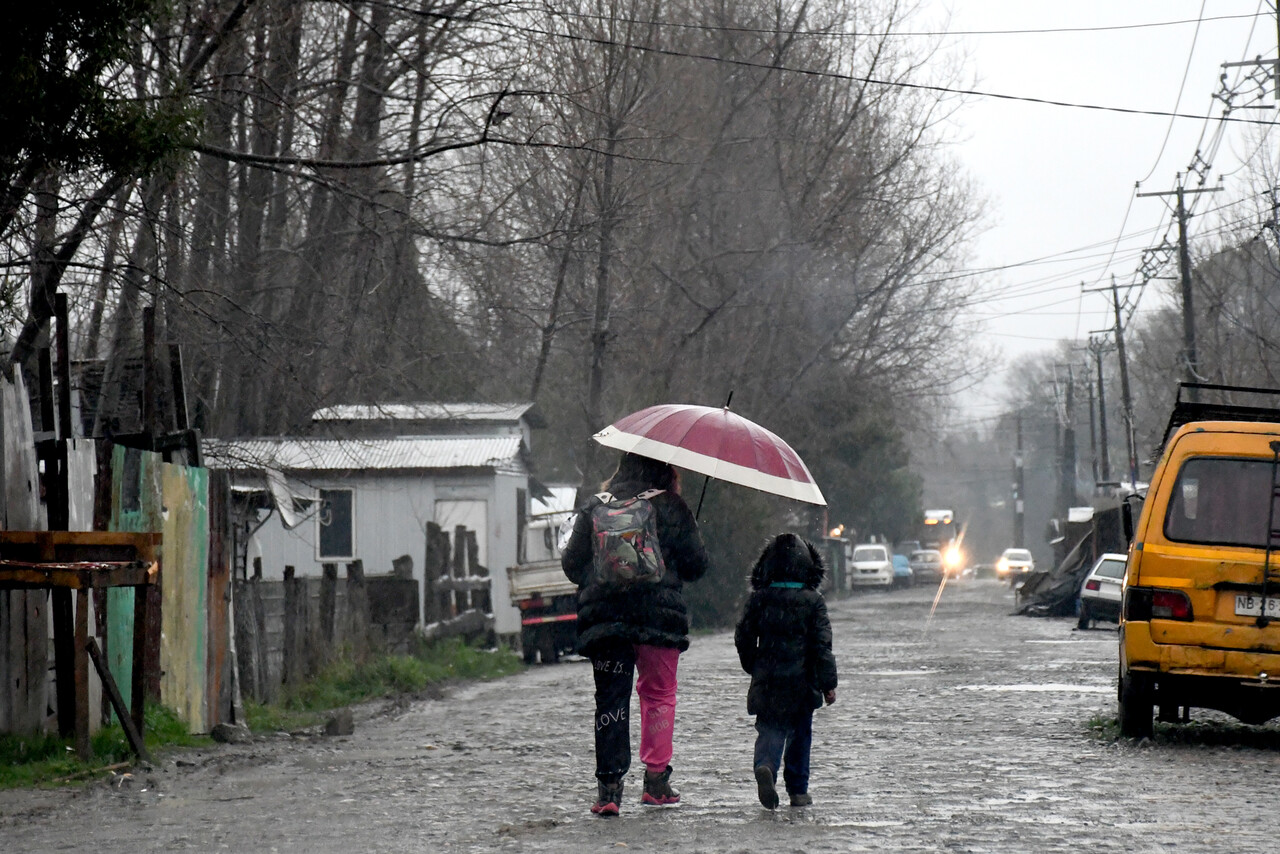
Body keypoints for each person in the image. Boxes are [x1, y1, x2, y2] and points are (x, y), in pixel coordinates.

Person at [561, 452, 709, 817]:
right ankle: (656, 783)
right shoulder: (672, 506)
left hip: (607, 620)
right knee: (658, 694)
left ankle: (609, 789)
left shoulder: (596, 507)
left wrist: (606, 574)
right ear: (666, 471)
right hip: (658, 619)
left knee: (611, 699)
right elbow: (696, 567)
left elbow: (571, 565)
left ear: (621, 469)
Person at [734, 532, 838, 809]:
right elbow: (822, 646)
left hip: (768, 679)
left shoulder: (760, 599)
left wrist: (752, 664)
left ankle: (765, 764)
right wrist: (828, 683)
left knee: (770, 728)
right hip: (802, 682)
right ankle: (798, 790)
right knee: (800, 735)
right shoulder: (813, 601)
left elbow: (743, 634)